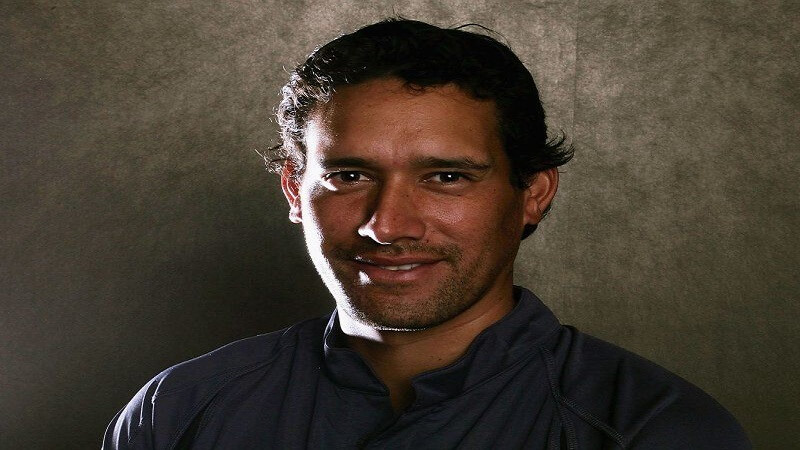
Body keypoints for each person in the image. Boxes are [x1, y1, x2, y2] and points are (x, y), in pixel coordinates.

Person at [103, 19, 751, 449]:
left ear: (532, 193)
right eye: (350, 175)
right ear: (295, 191)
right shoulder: (178, 411)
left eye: (446, 177)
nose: (387, 225)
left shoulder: (654, 431)